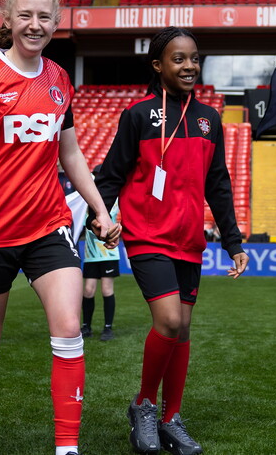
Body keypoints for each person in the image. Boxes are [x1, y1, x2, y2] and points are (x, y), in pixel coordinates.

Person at [0, 0, 119, 455]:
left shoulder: (59, 78)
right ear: (9, 19)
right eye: (25, 15)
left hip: (48, 225)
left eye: (44, 16)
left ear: (55, 22)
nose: (35, 24)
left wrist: (101, 210)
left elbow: (72, 154)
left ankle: (67, 448)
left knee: (67, 331)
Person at [92, 26, 248, 455]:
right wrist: (100, 217)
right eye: (179, 59)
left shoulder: (209, 119)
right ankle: (143, 403)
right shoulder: (138, 115)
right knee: (170, 322)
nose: (189, 66)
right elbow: (111, 174)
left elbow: (219, 183)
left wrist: (233, 242)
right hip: (146, 235)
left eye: (195, 58)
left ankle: (171, 416)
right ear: (158, 65)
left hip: (188, 240)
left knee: (183, 330)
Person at [81, 182, 120, 342]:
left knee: (106, 289)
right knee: (88, 291)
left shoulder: (113, 200)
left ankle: (108, 328)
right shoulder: (85, 202)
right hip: (90, 254)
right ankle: (86, 326)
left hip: (108, 253)